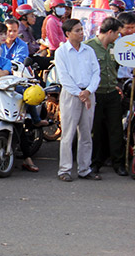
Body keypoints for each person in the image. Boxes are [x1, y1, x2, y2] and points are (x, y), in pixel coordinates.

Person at [54, 18, 100, 182]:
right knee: (68, 133)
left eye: (81, 30)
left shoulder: (89, 50)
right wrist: (79, 92)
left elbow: (96, 72)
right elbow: (63, 76)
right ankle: (64, 169)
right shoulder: (61, 52)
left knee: (86, 133)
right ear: (68, 34)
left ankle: (84, 168)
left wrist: (88, 91)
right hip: (70, 94)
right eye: (77, 30)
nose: (81, 33)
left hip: (88, 93)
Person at [84, 17, 127, 177]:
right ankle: (95, 163)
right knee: (96, 130)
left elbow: (116, 68)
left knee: (115, 129)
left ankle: (119, 163)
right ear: (110, 32)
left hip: (112, 93)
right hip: (96, 94)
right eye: (117, 34)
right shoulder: (89, 47)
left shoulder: (115, 47)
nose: (118, 37)